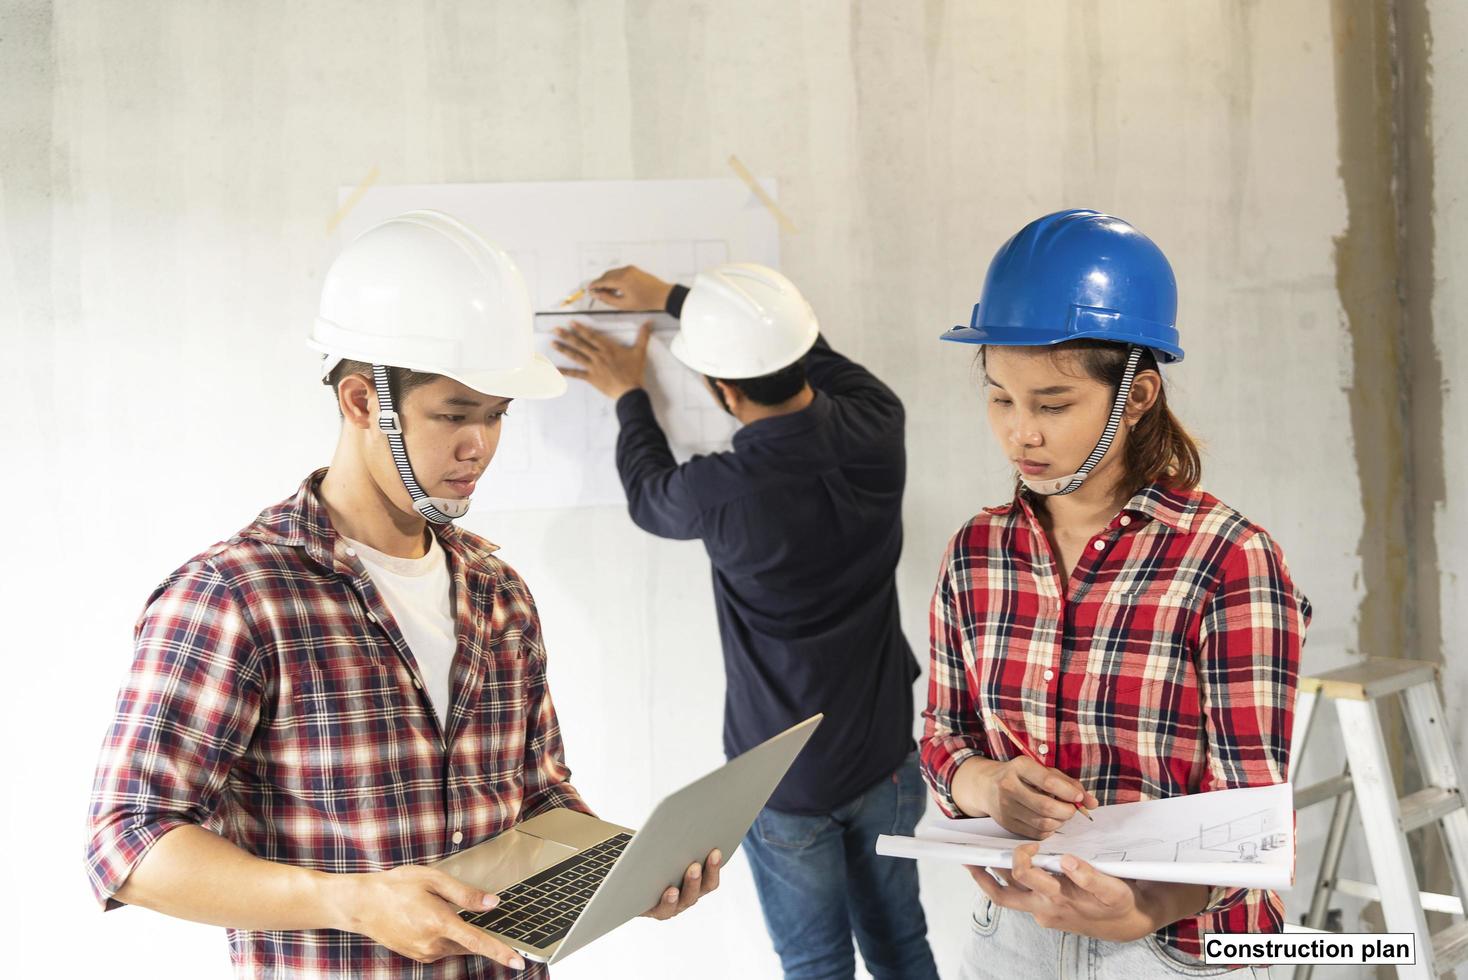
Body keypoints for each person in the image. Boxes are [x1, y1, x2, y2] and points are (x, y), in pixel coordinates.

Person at [84, 211, 718, 979]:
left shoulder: (496, 592)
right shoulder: (236, 596)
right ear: (360, 401)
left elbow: (538, 798)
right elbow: (129, 844)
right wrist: (349, 901)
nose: (479, 445)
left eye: (494, 415)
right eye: (453, 415)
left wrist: (628, 872)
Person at [921, 209, 1310, 978]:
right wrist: (987, 783)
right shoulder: (976, 554)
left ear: (1136, 398)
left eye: (1052, 404)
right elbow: (941, 734)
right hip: (1014, 942)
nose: (1019, 433)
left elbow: (1250, 822)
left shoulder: (1228, 560)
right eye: (1001, 397)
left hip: (1175, 951)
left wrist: (1144, 910)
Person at [548, 263, 939, 980]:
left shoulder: (719, 495)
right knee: (902, 945)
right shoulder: (879, 419)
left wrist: (630, 393)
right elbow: (800, 354)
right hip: (885, 753)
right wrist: (677, 299)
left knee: (816, 967)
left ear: (718, 389)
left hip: (785, 786)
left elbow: (646, 493)